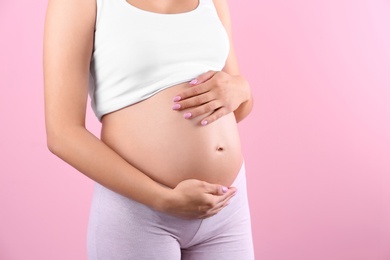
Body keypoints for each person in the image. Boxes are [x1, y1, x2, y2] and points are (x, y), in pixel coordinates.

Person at [43, 0, 254, 258]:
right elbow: (62, 133)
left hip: (225, 207)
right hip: (140, 211)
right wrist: (162, 199)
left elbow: (238, 106)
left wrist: (242, 88)